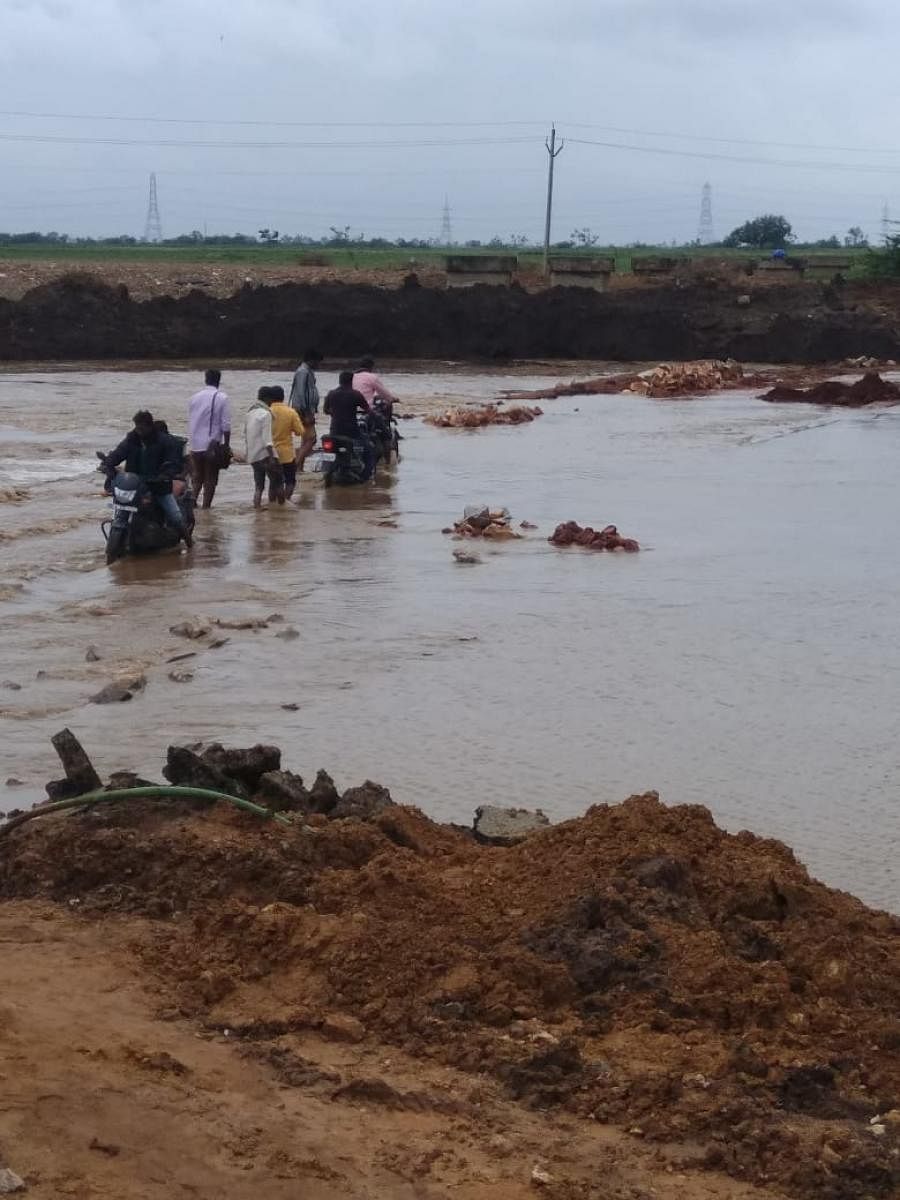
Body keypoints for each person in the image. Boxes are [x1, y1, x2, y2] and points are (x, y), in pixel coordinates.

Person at [102, 410, 192, 547]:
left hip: (158, 485)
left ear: (150, 426)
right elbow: (118, 453)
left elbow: (174, 462)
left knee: (175, 516)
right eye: (137, 427)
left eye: (142, 428)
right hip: (134, 486)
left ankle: (189, 542)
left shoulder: (165, 441)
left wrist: (166, 474)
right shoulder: (131, 440)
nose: (139, 431)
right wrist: (108, 464)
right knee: (121, 514)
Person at [187, 368, 231, 509]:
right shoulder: (222, 397)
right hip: (211, 445)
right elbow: (226, 425)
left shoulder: (194, 398)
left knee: (197, 477)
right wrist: (226, 444)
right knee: (210, 478)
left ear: (206, 379)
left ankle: (192, 504)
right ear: (219, 381)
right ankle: (206, 508)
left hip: (195, 444)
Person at [323, 370, 374, 480]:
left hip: (335, 431)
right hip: (352, 431)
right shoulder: (355, 394)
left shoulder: (331, 394)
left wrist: (335, 413)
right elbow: (368, 410)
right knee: (369, 451)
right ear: (352, 381)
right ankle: (364, 479)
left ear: (339, 380)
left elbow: (326, 410)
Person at [244, 386, 283, 508]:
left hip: (254, 456)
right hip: (266, 454)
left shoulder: (249, 413)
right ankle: (282, 509)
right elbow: (267, 439)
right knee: (278, 483)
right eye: (271, 400)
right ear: (267, 399)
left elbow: (246, 434)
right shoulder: (266, 414)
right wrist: (272, 458)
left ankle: (257, 511)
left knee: (258, 487)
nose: (272, 403)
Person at [289, 349, 322, 473]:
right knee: (311, 439)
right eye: (317, 362)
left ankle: (299, 468)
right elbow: (301, 393)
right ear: (311, 360)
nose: (318, 365)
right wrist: (307, 413)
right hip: (303, 410)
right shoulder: (303, 372)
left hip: (304, 410)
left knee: (305, 439)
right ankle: (295, 465)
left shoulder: (307, 371)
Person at [268, 384, 304, 501]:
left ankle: (272, 504)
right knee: (290, 481)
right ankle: (285, 501)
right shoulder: (290, 412)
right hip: (287, 454)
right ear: (283, 397)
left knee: (273, 482)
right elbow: (300, 431)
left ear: (270, 398)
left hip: (270, 454)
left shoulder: (265, 412)